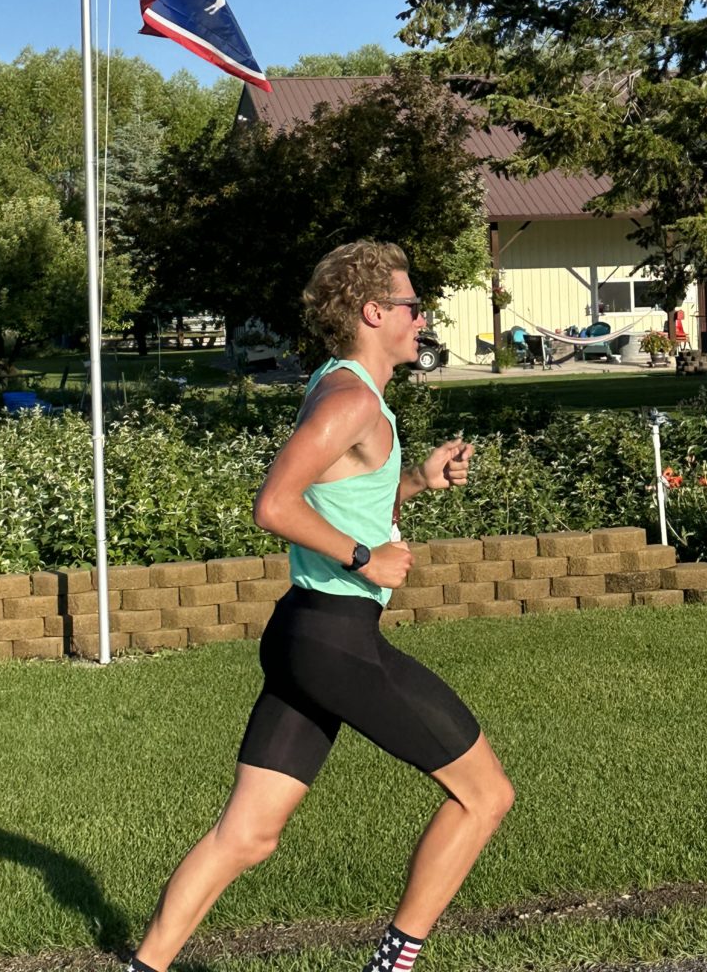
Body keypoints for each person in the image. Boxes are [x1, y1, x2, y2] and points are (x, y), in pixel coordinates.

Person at [127, 241, 514, 972]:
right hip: (337, 641)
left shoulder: (342, 387)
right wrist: (366, 558)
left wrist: (416, 482)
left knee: (247, 837)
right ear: (374, 313)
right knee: (485, 796)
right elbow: (274, 504)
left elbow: (338, 495)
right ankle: (390, 967)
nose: (421, 317)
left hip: (307, 634)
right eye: (411, 305)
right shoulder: (351, 400)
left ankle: (142, 967)